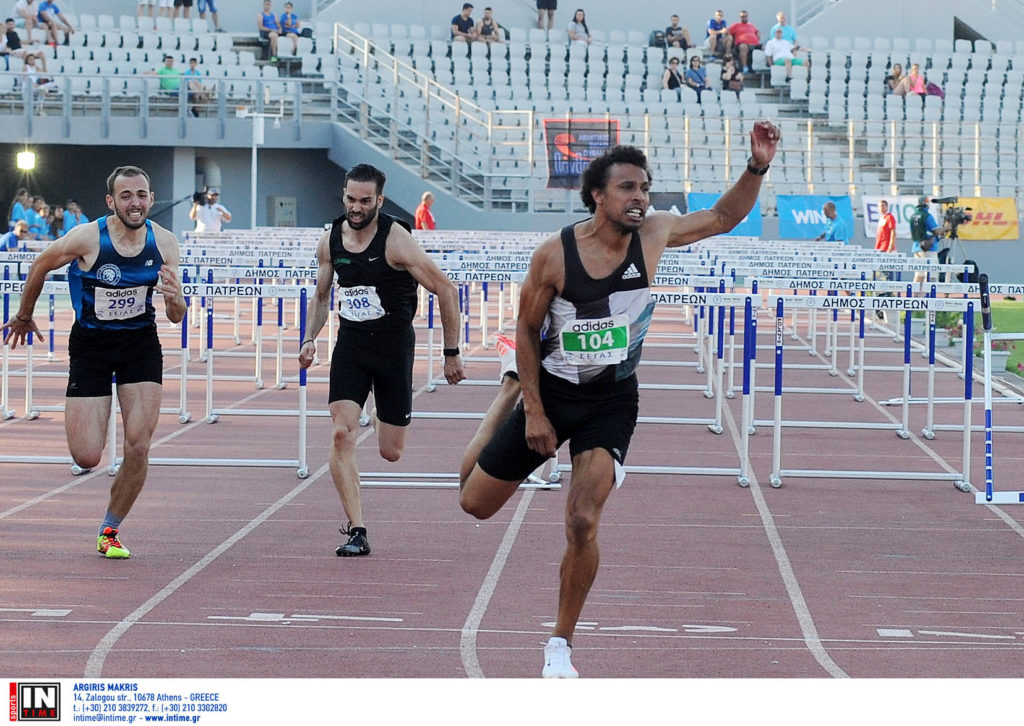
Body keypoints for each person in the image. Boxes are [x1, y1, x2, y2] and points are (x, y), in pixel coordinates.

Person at [458, 121, 780, 678]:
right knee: (474, 503)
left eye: (646, 188)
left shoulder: (653, 235)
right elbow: (528, 331)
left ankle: (560, 645)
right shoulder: (554, 257)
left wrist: (756, 166)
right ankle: (507, 391)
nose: (641, 197)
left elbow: (723, 218)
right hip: (551, 392)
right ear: (598, 196)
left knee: (583, 519)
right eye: (628, 188)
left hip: (611, 399)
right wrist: (532, 408)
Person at [1, 165, 186, 559]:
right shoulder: (87, 237)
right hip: (91, 347)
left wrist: (175, 301)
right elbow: (39, 265)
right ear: (111, 201)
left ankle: (110, 529)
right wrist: (24, 314)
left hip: (140, 345)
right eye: (126, 196)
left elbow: (176, 314)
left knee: (138, 446)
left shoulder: (166, 243)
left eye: (141, 195)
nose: (135, 203)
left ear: (151, 199)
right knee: (86, 456)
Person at [297, 164, 465, 557]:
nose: (356, 208)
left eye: (365, 201)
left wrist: (451, 352)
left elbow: (446, 289)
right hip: (351, 345)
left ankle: (379, 413)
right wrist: (309, 338)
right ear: (344, 197)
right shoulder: (330, 241)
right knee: (341, 433)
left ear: (380, 201)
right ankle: (357, 529)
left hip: (392, 348)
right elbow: (322, 297)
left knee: (391, 452)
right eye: (351, 200)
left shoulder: (397, 240)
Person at [909, 195, 949, 283]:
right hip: (929, 248)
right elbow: (937, 231)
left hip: (916, 247)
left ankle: (915, 295)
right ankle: (930, 295)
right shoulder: (927, 216)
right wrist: (947, 227)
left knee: (919, 273)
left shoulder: (913, 216)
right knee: (932, 274)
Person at [729, 9, 761, 74]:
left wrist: (758, 33)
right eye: (742, 16)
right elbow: (727, 32)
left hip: (754, 44)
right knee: (743, 47)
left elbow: (756, 31)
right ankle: (744, 67)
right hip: (742, 44)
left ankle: (760, 68)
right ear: (740, 17)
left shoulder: (751, 25)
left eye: (745, 16)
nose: (744, 18)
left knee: (765, 47)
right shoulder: (736, 25)